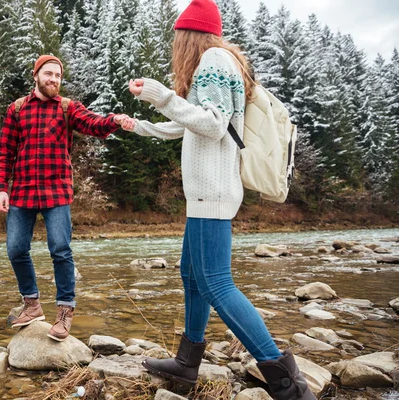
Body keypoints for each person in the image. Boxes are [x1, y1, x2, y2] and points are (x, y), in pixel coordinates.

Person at [121, 1, 316, 399]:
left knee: (216, 283)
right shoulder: (219, 62)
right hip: (205, 192)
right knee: (192, 274)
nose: (175, 45)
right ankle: (187, 363)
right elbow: (190, 121)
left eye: (177, 37)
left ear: (188, 35)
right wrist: (140, 125)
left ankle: (287, 384)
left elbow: (212, 125)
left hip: (213, 190)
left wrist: (160, 96)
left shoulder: (213, 60)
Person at [0, 55, 129, 342]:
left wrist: (113, 121)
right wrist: (1, 187)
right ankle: (32, 305)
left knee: (60, 250)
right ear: (36, 76)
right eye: (48, 74)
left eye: (57, 75)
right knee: (16, 250)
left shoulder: (68, 108)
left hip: (56, 192)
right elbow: (5, 152)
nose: (53, 79)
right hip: (22, 191)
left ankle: (65, 311)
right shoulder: (17, 109)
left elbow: (93, 124)